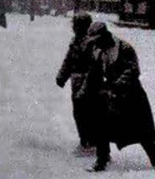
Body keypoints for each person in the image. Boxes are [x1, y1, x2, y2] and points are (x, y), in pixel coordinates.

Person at [83, 21, 155, 172]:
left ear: (105, 36)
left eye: (97, 40)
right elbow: (94, 72)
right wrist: (86, 89)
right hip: (112, 99)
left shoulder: (124, 48)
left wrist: (116, 85)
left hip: (133, 98)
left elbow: (132, 71)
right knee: (102, 127)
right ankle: (102, 160)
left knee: (144, 133)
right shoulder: (98, 51)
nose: (95, 44)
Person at [56, 11, 95, 152]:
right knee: (79, 112)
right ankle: (85, 141)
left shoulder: (92, 43)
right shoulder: (75, 41)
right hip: (76, 81)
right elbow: (69, 60)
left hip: (90, 81)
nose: (74, 28)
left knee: (89, 113)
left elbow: (95, 65)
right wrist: (62, 76)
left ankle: (91, 143)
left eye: (76, 25)